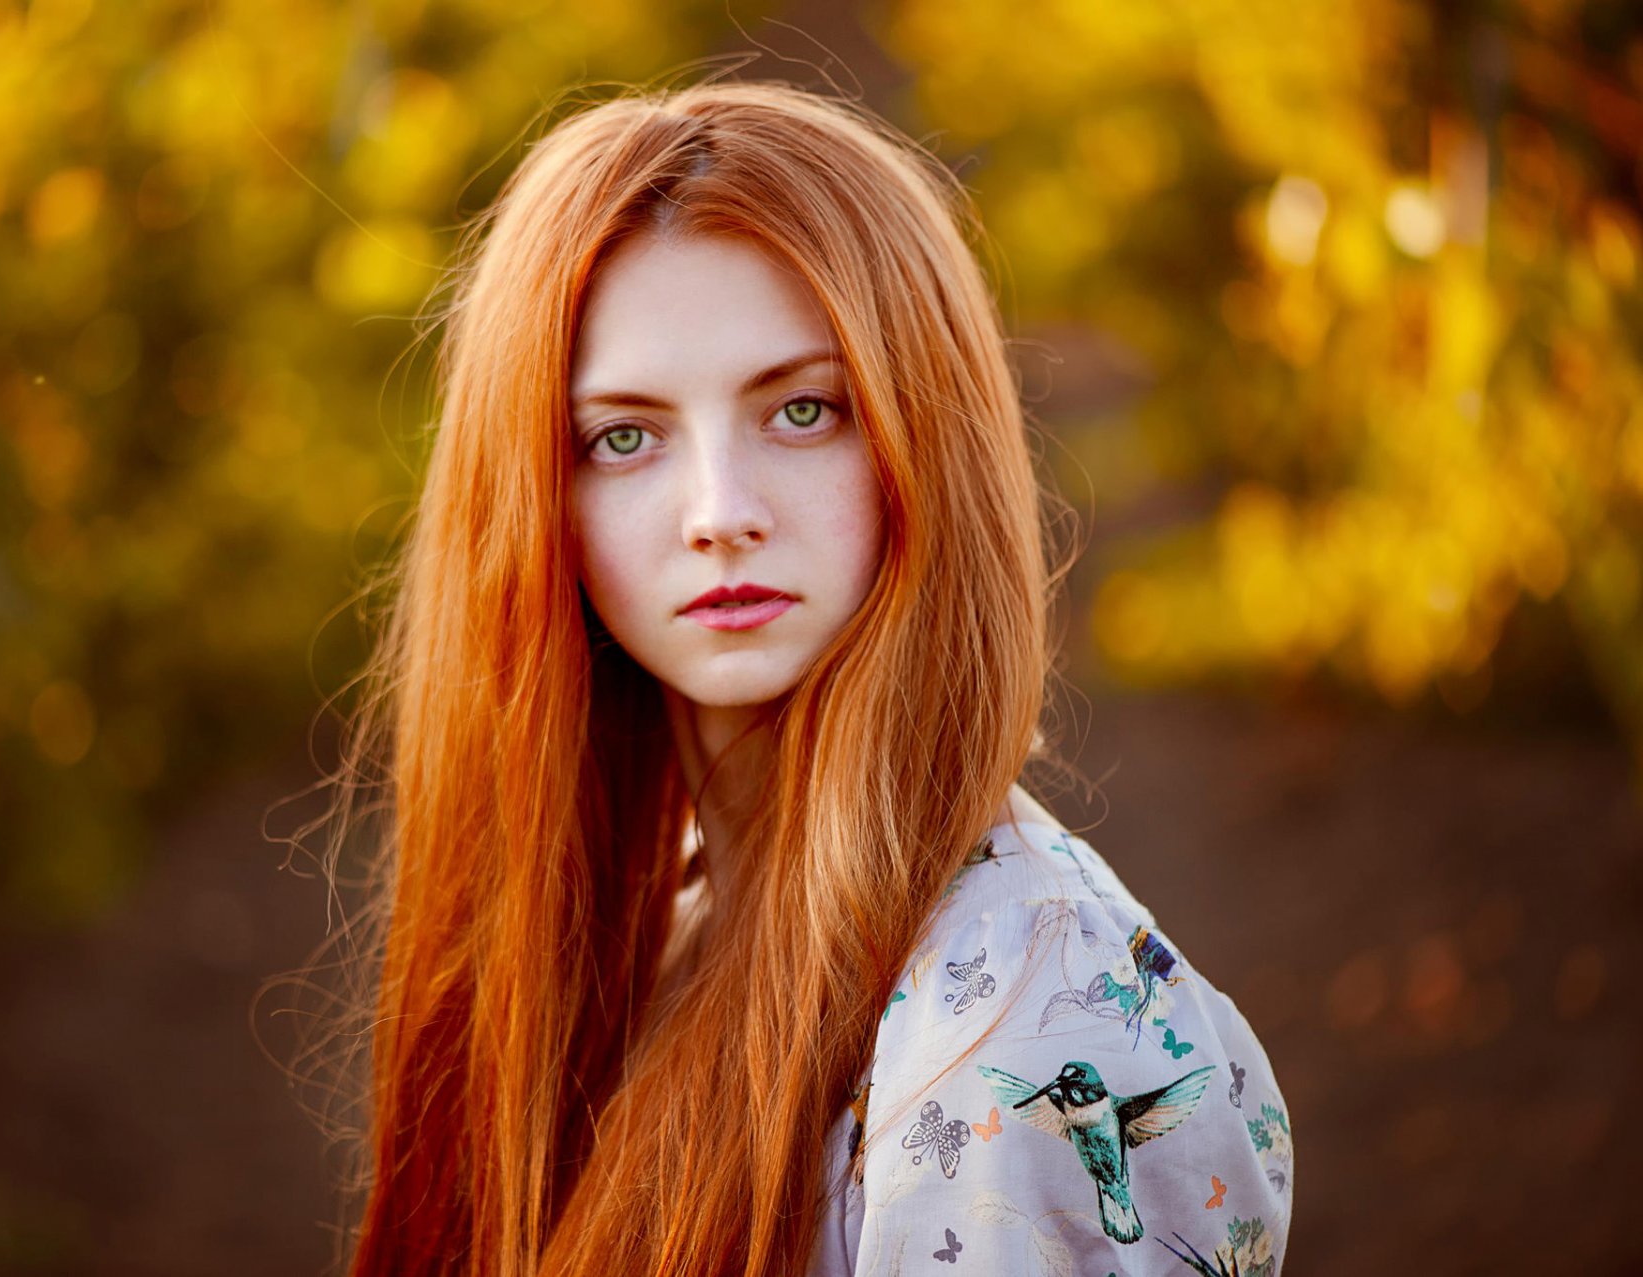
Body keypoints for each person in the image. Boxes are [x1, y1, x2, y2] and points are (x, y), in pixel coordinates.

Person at [321, 77, 1295, 1276]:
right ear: (535, 499)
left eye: (801, 410)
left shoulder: (1036, 1024)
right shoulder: (652, 928)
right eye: (623, 437)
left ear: (921, 434)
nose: (721, 514)